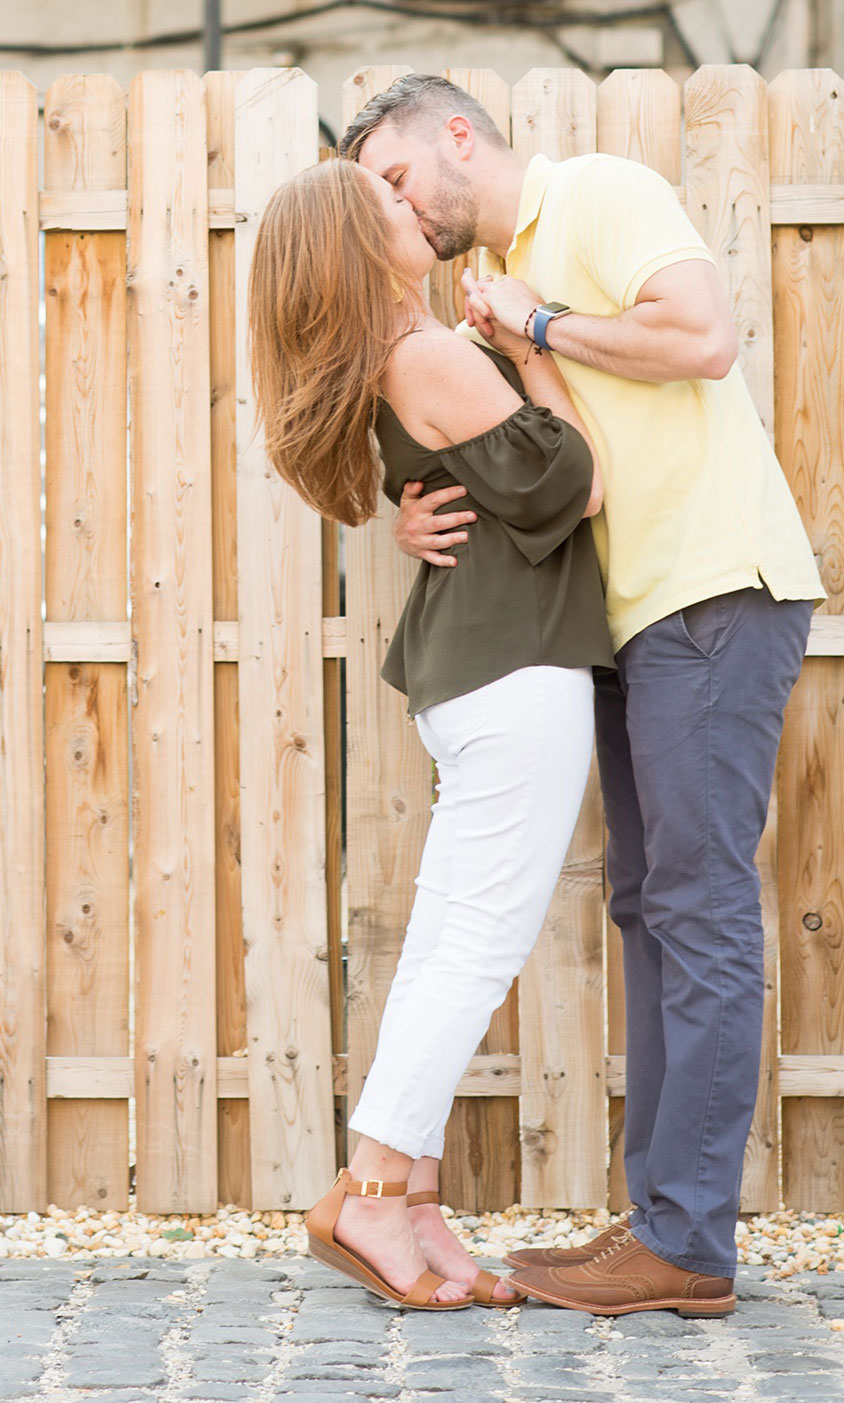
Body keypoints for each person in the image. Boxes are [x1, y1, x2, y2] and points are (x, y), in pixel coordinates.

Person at [341, 75, 823, 1320]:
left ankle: (683, 1243)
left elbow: (701, 340)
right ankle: (663, 1224)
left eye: (394, 176)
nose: (393, 203)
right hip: (627, 616)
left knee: (696, 906)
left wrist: (541, 323)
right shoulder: (489, 282)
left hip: (708, 587)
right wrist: (410, 508)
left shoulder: (597, 196)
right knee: (647, 907)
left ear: (457, 135)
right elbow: (511, 452)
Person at [248, 155, 612, 1310]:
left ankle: (403, 1200)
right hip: (515, 670)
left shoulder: (399, 359)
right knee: (471, 949)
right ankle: (366, 1195)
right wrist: (535, 348)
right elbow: (575, 487)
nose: (416, 212)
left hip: (482, 671)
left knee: (451, 942)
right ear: (361, 247)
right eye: (389, 209)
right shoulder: (429, 355)